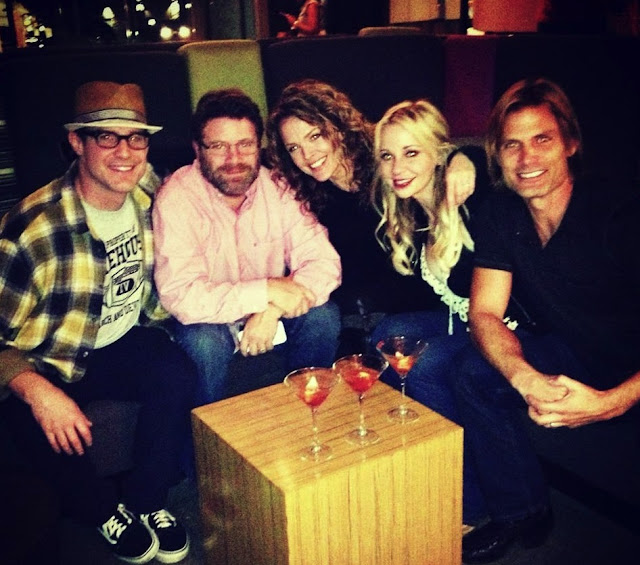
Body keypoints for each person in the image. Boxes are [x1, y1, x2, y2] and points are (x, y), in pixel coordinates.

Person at [0, 81, 194, 564]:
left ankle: (148, 501)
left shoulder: (153, 195)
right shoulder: (31, 229)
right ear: (77, 142)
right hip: (48, 357)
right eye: (107, 137)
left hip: (121, 339)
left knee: (176, 370)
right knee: (30, 419)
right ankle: (103, 511)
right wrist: (36, 390)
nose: (125, 152)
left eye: (137, 138)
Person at [455, 77, 640, 563]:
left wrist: (611, 404)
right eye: (511, 145)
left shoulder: (620, 215)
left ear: (570, 144)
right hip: (579, 351)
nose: (526, 158)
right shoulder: (500, 212)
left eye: (542, 139)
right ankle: (522, 511)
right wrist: (523, 376)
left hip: (634, 373)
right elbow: (485, 312)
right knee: (472, 373)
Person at [153, 88, 341, 406]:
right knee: (203, 343)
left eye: (245, 144)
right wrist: (267, 290)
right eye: (218, 146)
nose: (234, 159)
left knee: (323, 318)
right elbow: (181, 295)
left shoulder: (278, 187)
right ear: (197, 149)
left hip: (271, 312)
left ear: (258, 146)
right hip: (210, 320)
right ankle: (206, 433)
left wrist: (271, 308)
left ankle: (306, 414)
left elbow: (324, 262)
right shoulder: (176, 198)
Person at [370, 98, 494, 527]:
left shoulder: (470, 196)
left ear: (439, 154)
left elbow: (495, 159)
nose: (397, 167)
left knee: (422, 364)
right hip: (460, 319)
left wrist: (467, 156)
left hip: (504, 326)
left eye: (411, 152)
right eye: (387, 156)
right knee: (386, 337)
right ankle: (424, 459)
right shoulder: (408, 212)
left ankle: (471, 501)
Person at [266, 79, 476, 324]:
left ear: (338, 127)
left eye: (315, 136)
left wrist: (463, 158)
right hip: (360, 317)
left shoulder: (385, 161)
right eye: (293, 148)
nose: (307, 154)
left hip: (425, 307)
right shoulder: (304, 195)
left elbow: (433, 149)